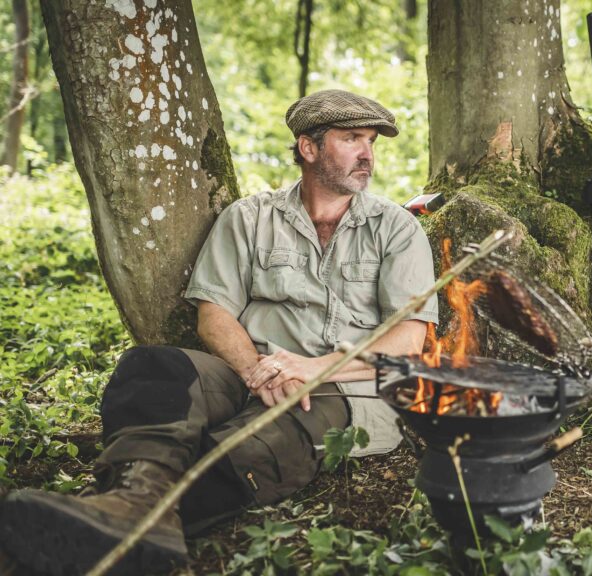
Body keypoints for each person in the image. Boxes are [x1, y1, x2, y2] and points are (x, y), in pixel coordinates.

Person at [0, 89, 439, 575]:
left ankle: (115, 521)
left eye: (372, 141)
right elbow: (213, 313)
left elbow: (407, 343)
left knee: (253, 443)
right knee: (155, 368)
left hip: (345, 390)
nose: (366, 154)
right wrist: (259, 371)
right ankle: (129, 506)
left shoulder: (397, 229)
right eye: (351, 138)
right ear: (309, 148)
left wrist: (309, 369)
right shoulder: (250, 218)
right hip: (250, 371)